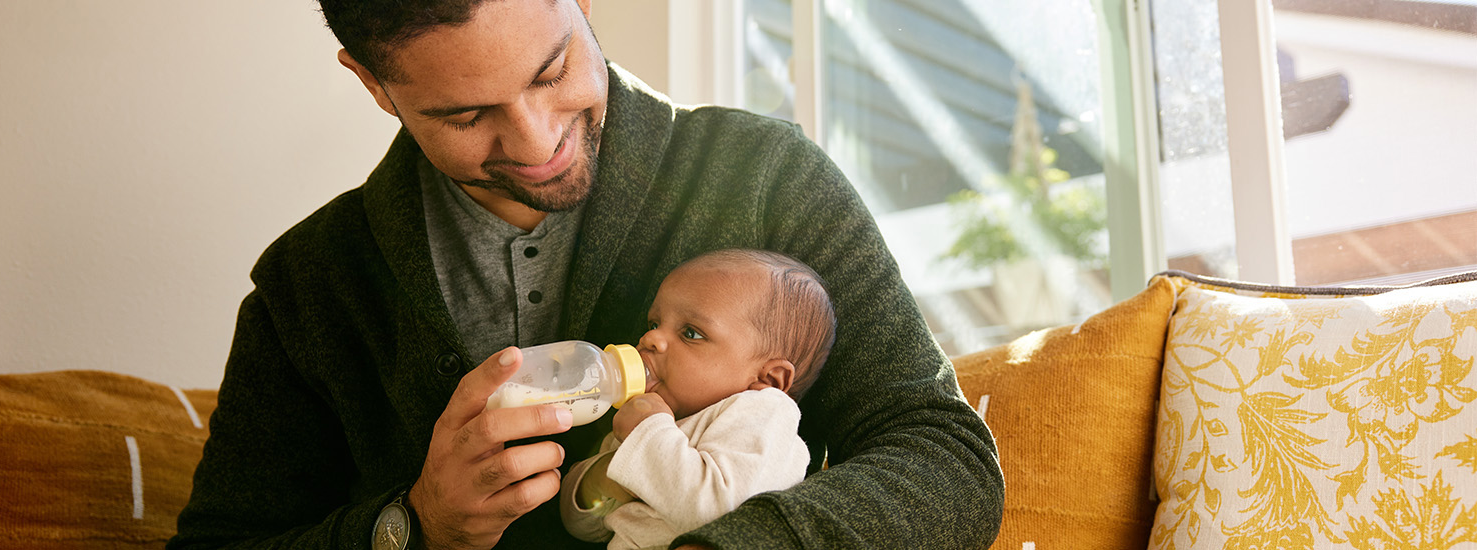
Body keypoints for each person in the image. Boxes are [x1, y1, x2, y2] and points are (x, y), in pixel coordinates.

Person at [170, 0, 1004, 548]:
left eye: (553, 72)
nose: (538, 145)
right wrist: (411, 523)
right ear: (373, 84)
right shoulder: (312, 285)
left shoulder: (765, 178)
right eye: (467, 114)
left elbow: (947, 463)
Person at [557, 249, 835, 549]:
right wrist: (603, 476)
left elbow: (719, 517)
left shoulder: (765, 413)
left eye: (691, 333)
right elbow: (579, 526)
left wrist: (647, 435)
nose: (650, 339)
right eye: (654, 324)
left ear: (768, 380)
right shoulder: (653, 419)